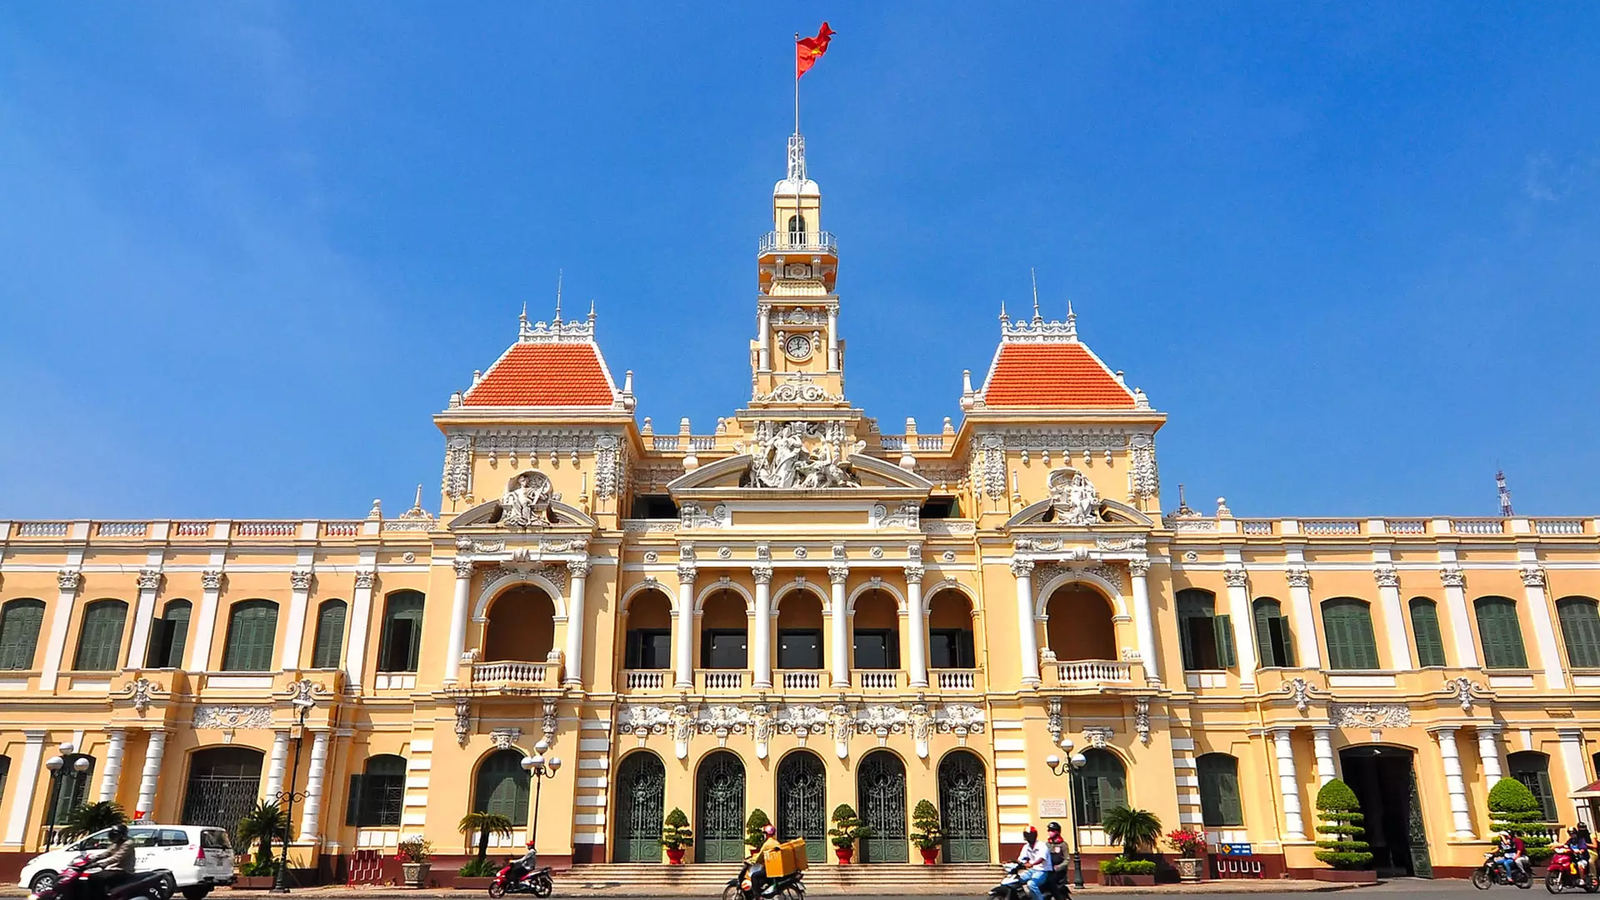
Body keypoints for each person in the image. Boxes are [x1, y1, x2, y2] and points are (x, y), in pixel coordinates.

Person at [83, 824, 134, 900]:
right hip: (112, 868)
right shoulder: (116, 843)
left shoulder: (128, 844)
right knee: (88, 878)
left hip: (123, 870)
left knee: (96, 878)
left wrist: (99, 864)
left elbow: (116, 857)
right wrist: (92, 859)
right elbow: (107, 853)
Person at [1016, 826, 1052, 900]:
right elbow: (1021, 858)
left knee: (1031, 884)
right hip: (1032, 870)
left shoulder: (1041, 845)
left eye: (1031, 835)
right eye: (1027, 835)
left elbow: (1041, 858)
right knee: (1017, 879)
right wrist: (1015, 863)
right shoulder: (1026, 847)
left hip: (1043, 870)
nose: (1029, 837)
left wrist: (1032, 864)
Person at [746, 824, 781, 896]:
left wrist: (750, 861)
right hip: (775, 868)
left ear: (767, 834)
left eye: (765, 833)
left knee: (754, 876)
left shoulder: (767, 844)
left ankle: (758, 896)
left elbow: (760, 856)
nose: (764, 835)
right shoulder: (776, 842)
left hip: (770, 869)